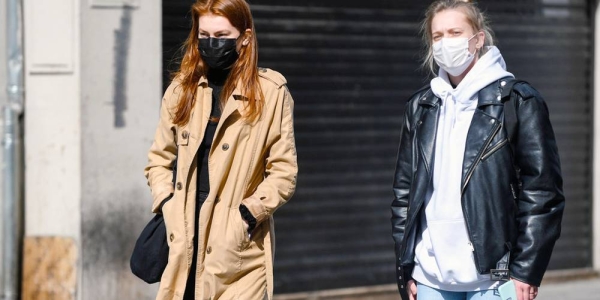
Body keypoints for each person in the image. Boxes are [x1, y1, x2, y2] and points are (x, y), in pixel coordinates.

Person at [391, 1, 564, 300]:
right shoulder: (421, 107)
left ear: (478, 39)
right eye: (437, 35)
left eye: (455, 32)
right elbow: (404, 193)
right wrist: (407, 267)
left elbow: (543, 192)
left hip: (495, 281)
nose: (446, 42)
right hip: (430, 278)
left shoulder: (517, 101)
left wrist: (525, 269)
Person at [144, 0, 298, 299]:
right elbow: (159, 159)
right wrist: (167, 203)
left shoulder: (270, 92)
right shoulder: (181, 89)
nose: (211, 43)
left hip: (237, 246)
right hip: (184, 231)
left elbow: (284, 171)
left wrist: (247, 214)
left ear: (245, 37)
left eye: (222, 36)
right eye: (204, 35)